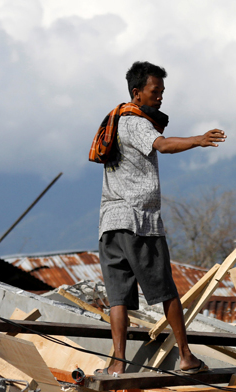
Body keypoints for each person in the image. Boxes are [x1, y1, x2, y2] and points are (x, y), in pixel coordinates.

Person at [93, 61, 226, 375]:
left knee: (118, 297)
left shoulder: (113, 122)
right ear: (137, 93)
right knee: (166, 291)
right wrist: (198, 139)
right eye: (156, 92)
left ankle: (118, 363)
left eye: (163, 92)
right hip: (139, 222)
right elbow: (163, 146)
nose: (160, 98)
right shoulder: (136, 122)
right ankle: (185, 356)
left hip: (109, 224)